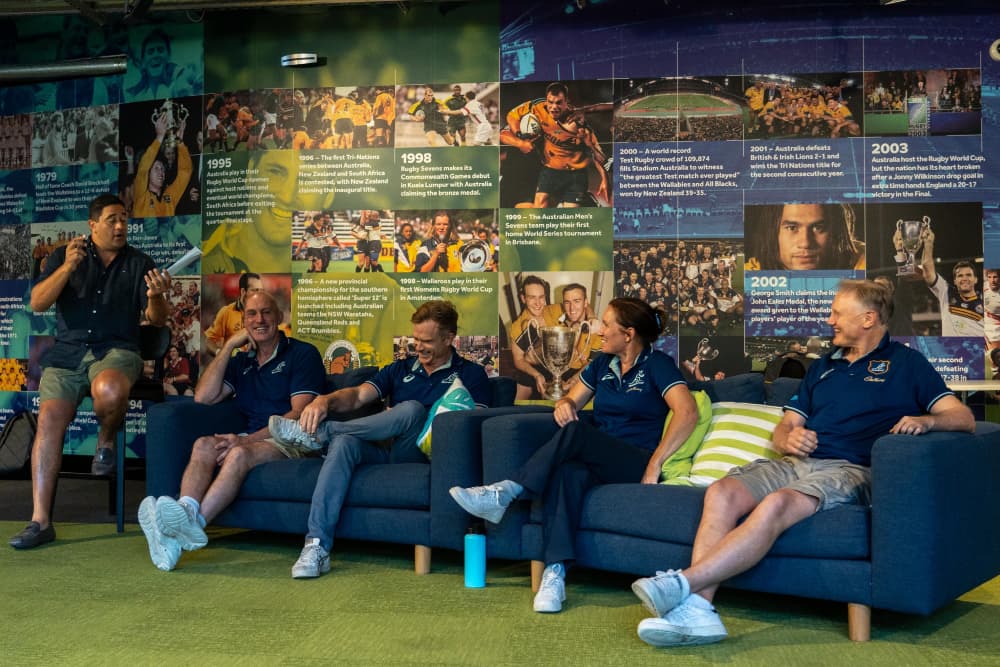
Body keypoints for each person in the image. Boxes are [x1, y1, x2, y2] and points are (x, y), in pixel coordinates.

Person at [630, 279, 974, 647]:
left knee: (777, 503)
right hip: (795, 462)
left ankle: (683, 584)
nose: (830, 321)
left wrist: (926, 421)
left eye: (838, 313)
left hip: (850, 469)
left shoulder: (908, 364)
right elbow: (787, 425)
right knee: (721, 492)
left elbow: (964, 418)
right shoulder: (824, 365)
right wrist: (788, 437)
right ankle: (699, 610)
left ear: (869, 319)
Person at [450, 298, 698, 612]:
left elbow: (687, 412)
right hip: (598, 456)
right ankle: (555, 574)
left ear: (629, 333)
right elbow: (571, 399)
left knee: (578, 432)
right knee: (566, 474)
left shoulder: (657, 364)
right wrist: (565, 403)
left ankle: (507, 491)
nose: (600, 330)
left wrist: (655, 462)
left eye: (607, 325)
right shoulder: (601, 365)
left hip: (636, 458)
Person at [266, 300, 490, 579]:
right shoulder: (400, 369)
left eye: (427, 341)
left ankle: (321, 434)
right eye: (415, 339)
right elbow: (358, 396)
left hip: (424, 453)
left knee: (411, 409)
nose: (418, 347)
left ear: (448, 338)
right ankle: (316, 546)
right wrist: (324, 400)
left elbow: (472, 426)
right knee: (345, 444)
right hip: (385, 449)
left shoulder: (472, 375)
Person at [9, 194, 172, 550]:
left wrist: (157, 297)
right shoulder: (65, 255)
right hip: (67, 355)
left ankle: (106, 438)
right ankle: (40, 521)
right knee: (50, 420)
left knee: (110, 390)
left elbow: (157, 322)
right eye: (112, 219)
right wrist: (67, 268)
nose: (119, 226)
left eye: (124, 220)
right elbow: (37, 303)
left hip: (117, 351)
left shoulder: (140, 262)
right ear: (93, 224)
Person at [137, 290, 325, 571]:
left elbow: (297, 415)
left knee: (237, 454)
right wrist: (228, 348)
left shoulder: (301, 354)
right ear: (243, 321)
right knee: (203, 444)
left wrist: (246, 440)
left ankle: (192, 525)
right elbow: (203, 397)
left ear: (280, 317)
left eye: (266, 312)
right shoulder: (243, 362)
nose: (259, 319)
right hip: (253, 439)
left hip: (292, 440)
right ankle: (185, 515)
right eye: (251, 314)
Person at [201, 149, 335, 274]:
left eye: (306, 179)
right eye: (275, 172)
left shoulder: (323, 282)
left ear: (328, 195)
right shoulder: (196, 259)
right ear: (250, 172)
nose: (286, 197)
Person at [500, 82, 609, 208]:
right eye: (550, 103)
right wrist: (520, 141)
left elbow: (595, 151)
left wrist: (605, 179)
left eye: (558, 103)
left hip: (549, 170)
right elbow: (503, 133)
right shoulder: (528, 118)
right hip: (518, 173)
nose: (553, 107)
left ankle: (586, 202)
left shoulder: (575, 123)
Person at [744, 203, 865, 271]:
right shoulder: (752, 273)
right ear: (772, 233)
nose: (805, 243)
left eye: (818, 228)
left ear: (836, 232)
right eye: (792, 228)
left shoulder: (863, 263)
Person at [917, 227, 983, 338]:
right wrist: (928, 243)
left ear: (976, 279)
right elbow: (927, 271)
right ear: (955, 281)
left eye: (968, 275)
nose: (964, 278)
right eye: (960, 276)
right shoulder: (946, 292)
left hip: (978, 353)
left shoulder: (986, 301)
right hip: (952, 354)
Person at [129, 109, 192, 218]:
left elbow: (185, 173)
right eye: (156, 168)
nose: (161, 172)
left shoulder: (169, 196)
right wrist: (159, 137)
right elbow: (143, 169)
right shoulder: (140, 195)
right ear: (148, 174)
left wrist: (180, 142)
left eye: (162, 168)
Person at [203, 272, 261, 357]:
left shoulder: (264, 313)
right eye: (254, 290)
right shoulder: (227, 312)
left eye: (260, 290)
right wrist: (221, 354)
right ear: (243, 292)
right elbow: (209, 341)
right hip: (233, 366)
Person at [984, 269, 1000, 353]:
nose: (992, 280)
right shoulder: (984, 288)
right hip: (989, 330)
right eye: (989, 277)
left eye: (995, 277)